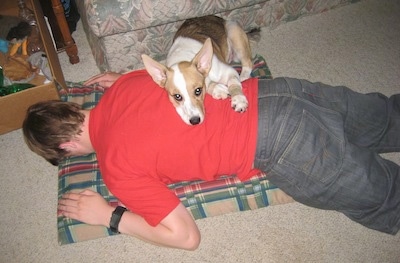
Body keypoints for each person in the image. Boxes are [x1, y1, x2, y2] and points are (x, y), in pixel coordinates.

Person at [23, 70, 400, 250]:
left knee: (386, 197)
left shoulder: (116, 171)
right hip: (277, 90)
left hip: (282, 140)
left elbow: (186, 237)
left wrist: (110, 215)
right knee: (386, 118)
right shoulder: (124, 82)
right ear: (72, 107)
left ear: (66, 149)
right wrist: (120, 80)